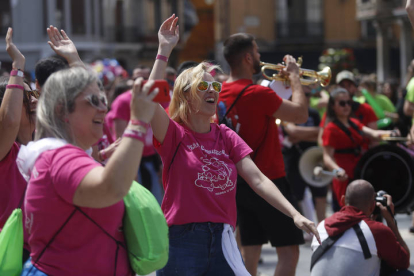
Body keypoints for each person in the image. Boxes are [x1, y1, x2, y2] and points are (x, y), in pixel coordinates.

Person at [146, 16, 319, 276]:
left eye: (215, 85)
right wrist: (164, 50)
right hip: (182, 241)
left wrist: (295, 214)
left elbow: (258, 179)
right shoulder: (174, 134)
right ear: (186, 95)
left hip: (224, 238)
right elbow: (149, 100)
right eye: (203, 85)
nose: (212, 90)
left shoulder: (225, 135)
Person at [17, 66, 158, 275]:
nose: (103, 108)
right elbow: (110, 188)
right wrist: (137, 124)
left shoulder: (64, 155)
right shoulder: (59, 158)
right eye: (94, 101)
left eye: (103, 100)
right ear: (61, 109)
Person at [218, 33, 311, 276]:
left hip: (238, 182)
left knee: (250, 251)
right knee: (289, 251)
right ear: (248, 57)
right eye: (257, 52)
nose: (260, 57)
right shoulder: (258, 93)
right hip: (270, 179)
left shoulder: (217, 93)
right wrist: (295, 78)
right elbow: (300, 114)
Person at [311, 180, 411, 276]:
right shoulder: (376, 230)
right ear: (372, 207)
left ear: (342, 200)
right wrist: (391, 222)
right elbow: (404, 262)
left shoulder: (321, 226)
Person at [0, 27, 39, 262]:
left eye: (33, 93)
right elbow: (10, 122)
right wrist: (18, 65)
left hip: (45, 251)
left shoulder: (44, 145)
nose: (35, 99)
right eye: (26, 97)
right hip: (11, 254)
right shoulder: (4, 151)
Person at [322, 87, 393, 210]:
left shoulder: (354, 122)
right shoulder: (330, 128)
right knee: (349, 213)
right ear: (333, 106)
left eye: (349, 102)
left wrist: (390, 133)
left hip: (360, 172)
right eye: (342, 103)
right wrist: (337, 170)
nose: (346, 106)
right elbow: (327, 156)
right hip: (345, 177)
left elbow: (372, 133)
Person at [282, 85, 327, 223]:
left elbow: (322, 133)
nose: (307, 98)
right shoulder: (287, 112)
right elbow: (292, 131)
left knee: (320, 193)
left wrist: (299, 135)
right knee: (297, 195)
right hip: (294, 159)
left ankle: (322, 227)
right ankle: (304, 225)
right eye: (304, 95)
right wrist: (312, 133)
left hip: (313, 158)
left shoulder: (313, 112)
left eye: (309, 95)